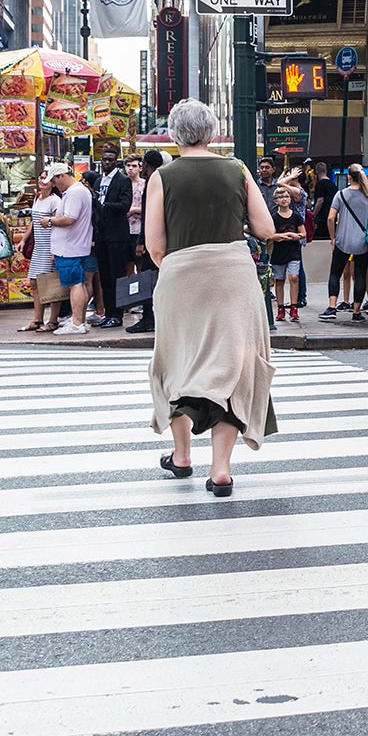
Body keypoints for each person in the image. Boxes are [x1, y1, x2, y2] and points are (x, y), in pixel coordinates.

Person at [142, 98, 280, 496]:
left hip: (181, 277)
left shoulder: (162, 177)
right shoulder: (237, 169)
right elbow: (266, 228)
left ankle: (182, 455)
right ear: (213, 131)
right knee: (233, 370)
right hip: (234, 277)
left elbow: (155, 245)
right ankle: (221, 469)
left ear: (174, 134)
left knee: (178, 364)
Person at [43, 162, 99, 335]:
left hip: (69, 247)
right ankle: (79, 320)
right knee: (78, 283)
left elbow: (70, 219)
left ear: (61, 176)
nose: (53, 184)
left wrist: (50, 221)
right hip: (74, 245)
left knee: (75, 284)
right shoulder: (78, 191)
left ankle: (76, 322)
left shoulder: (74, 192)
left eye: (54, 180)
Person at [325, 165, 368, 322]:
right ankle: (356, 312)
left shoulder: (341, 194)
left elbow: (330, 218)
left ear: (349, 177)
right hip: (363, 241)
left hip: (343, 240)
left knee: (335, 272)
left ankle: (332, 307)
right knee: (361, 275)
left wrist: (333, 237)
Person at [94, 157, 136, 327]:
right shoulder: (98, 181)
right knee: (104, 277)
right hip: (101, 234)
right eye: (104, 159)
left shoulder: (123, 181)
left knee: (116, 275)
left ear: (116, 162)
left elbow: (125, 205)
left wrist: (104, 206)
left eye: (110, 160)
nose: (107, 162)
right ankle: (108, 313)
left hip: (117, 235)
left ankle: (117, 315)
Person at [126, 151, 164, 334]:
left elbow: (149, 214)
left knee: (147, 278)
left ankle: (149, 318)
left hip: (151, 238)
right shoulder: (163, 179)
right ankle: (153, 316)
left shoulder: (152, 182)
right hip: (162, 237)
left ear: (147, 164)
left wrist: (141, 241)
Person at [19, 174, 61, 333]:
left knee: (51, 284)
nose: (42, 180)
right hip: (39, 246)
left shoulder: (55, 201)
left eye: (46, 178)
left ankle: (53, 320)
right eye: (41, 177)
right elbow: (34, 221)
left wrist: (54, 249)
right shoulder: (38, 198)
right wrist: (24, 239)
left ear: (53, 183)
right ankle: (37, 319)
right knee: (35, 282)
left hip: (50, 246)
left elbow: (57, 224)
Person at [270, 184, 306, 322]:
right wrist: (288, 235)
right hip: (279, 252)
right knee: (279, 280)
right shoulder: (274, 217)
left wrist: (297, 236)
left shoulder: (296, 216)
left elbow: (303, 233)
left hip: (293, 251)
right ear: (276, 201)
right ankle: (280, 308)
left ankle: (294, 307)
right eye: (280, 197)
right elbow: (271, 235)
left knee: (294, 277)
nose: (284, 199)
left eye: (286, 196)